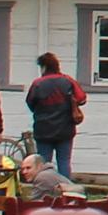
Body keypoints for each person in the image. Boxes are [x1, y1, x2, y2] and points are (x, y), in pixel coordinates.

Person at [22, 52, 84, 185]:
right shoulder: (67, 81)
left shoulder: (38, 84)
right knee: (64, 162)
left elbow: (30, 103)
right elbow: (82, 98)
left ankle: (44, 190)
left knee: (42, 164)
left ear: (44, 67)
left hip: (43, 129)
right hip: (65, 129)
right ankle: (66, 191)